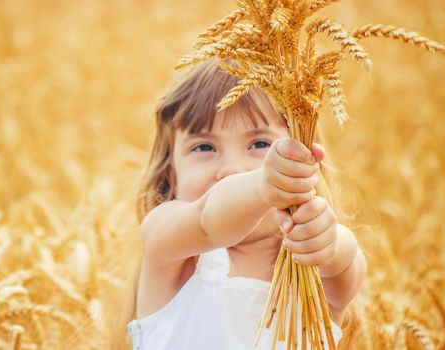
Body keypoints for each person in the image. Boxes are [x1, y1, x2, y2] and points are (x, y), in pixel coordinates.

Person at [116, 58, 366, 349]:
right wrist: (262, 186)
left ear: (303, 161)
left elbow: (346, 264)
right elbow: (209, 222)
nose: (232, 169)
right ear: (170, 174)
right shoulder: (166, 246)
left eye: (260, 144)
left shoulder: (312, 275)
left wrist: (328, 241)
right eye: (204, 147)